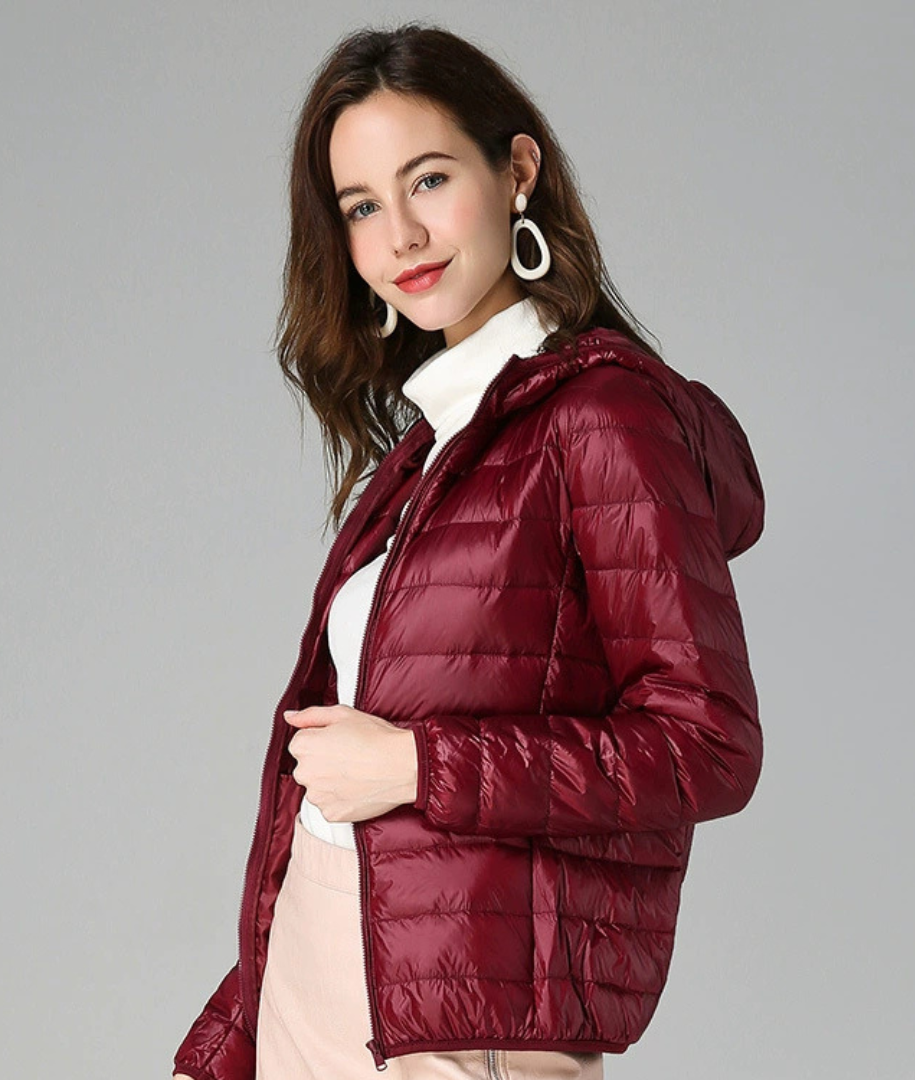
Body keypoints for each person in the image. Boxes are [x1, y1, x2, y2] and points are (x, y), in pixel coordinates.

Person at [172, 21, 764, 1080]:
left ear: (517, 171)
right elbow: (326, 794)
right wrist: (232, 1037)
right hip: (316, 973)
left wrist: (417, 764)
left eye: (430, 180)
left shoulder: (603, 417)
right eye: (362, 206)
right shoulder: (431, 448)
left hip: (462, 1027)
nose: (401, 235)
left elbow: (707, 744)